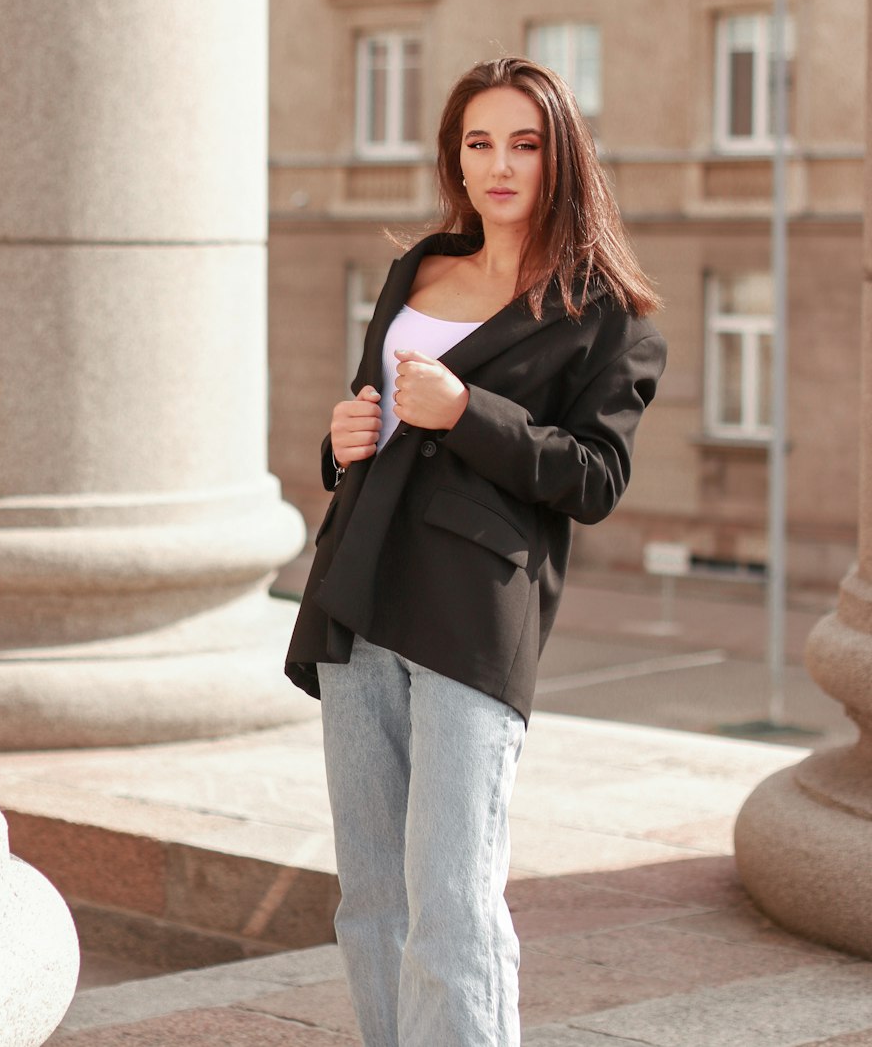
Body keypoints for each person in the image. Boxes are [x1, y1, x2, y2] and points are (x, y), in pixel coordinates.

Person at [285, 56, 666, 1047]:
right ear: (456, 156)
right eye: (479, 142)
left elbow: (594, 479)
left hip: (467, 620)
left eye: (524, 143)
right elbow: (371, 420)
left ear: (561, 158)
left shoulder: (605, 314)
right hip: (357, 596)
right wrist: (339, 441)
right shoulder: (417, 270)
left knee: (452, 908)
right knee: (370, 902)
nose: (499, 165)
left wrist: (466, 414)